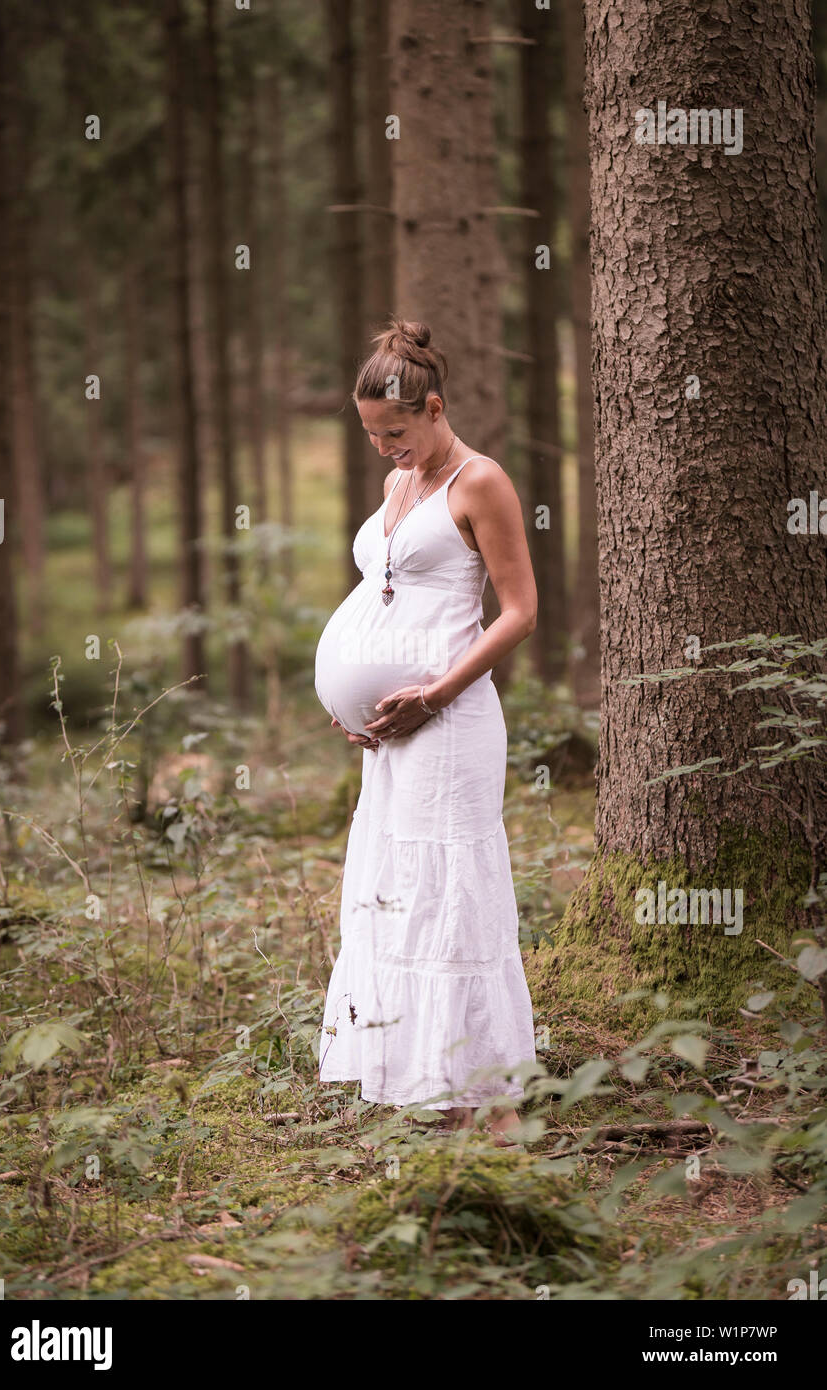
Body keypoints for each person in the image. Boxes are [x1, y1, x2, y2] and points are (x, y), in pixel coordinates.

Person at [314, 318, 537, 1144]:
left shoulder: (481, 483)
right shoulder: (397, 485)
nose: (383, 449)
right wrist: (354, 701)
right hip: (395, 733)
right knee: (400, 894)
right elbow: (389, 598)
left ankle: (495, 1106)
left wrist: (433, 693)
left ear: (435, 407)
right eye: (372, 435)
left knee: (455, 898)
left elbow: (520, 613)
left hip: (452, 722)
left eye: (396, 433)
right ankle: (433, 1084)